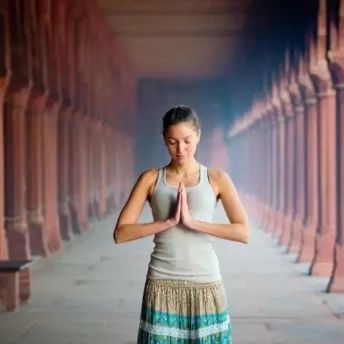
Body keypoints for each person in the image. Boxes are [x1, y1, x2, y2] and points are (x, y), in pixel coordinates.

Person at [114, 105, 250, 343]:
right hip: (161, 281)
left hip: (205, 281)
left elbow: (243, 232)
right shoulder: (150, 178)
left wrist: (193, 223)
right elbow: (121, 234)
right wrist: (167, 222)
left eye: (187, 140)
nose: (180, 149)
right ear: (164, 140)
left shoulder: (217, 179)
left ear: (198, 135)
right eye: (172, 141)